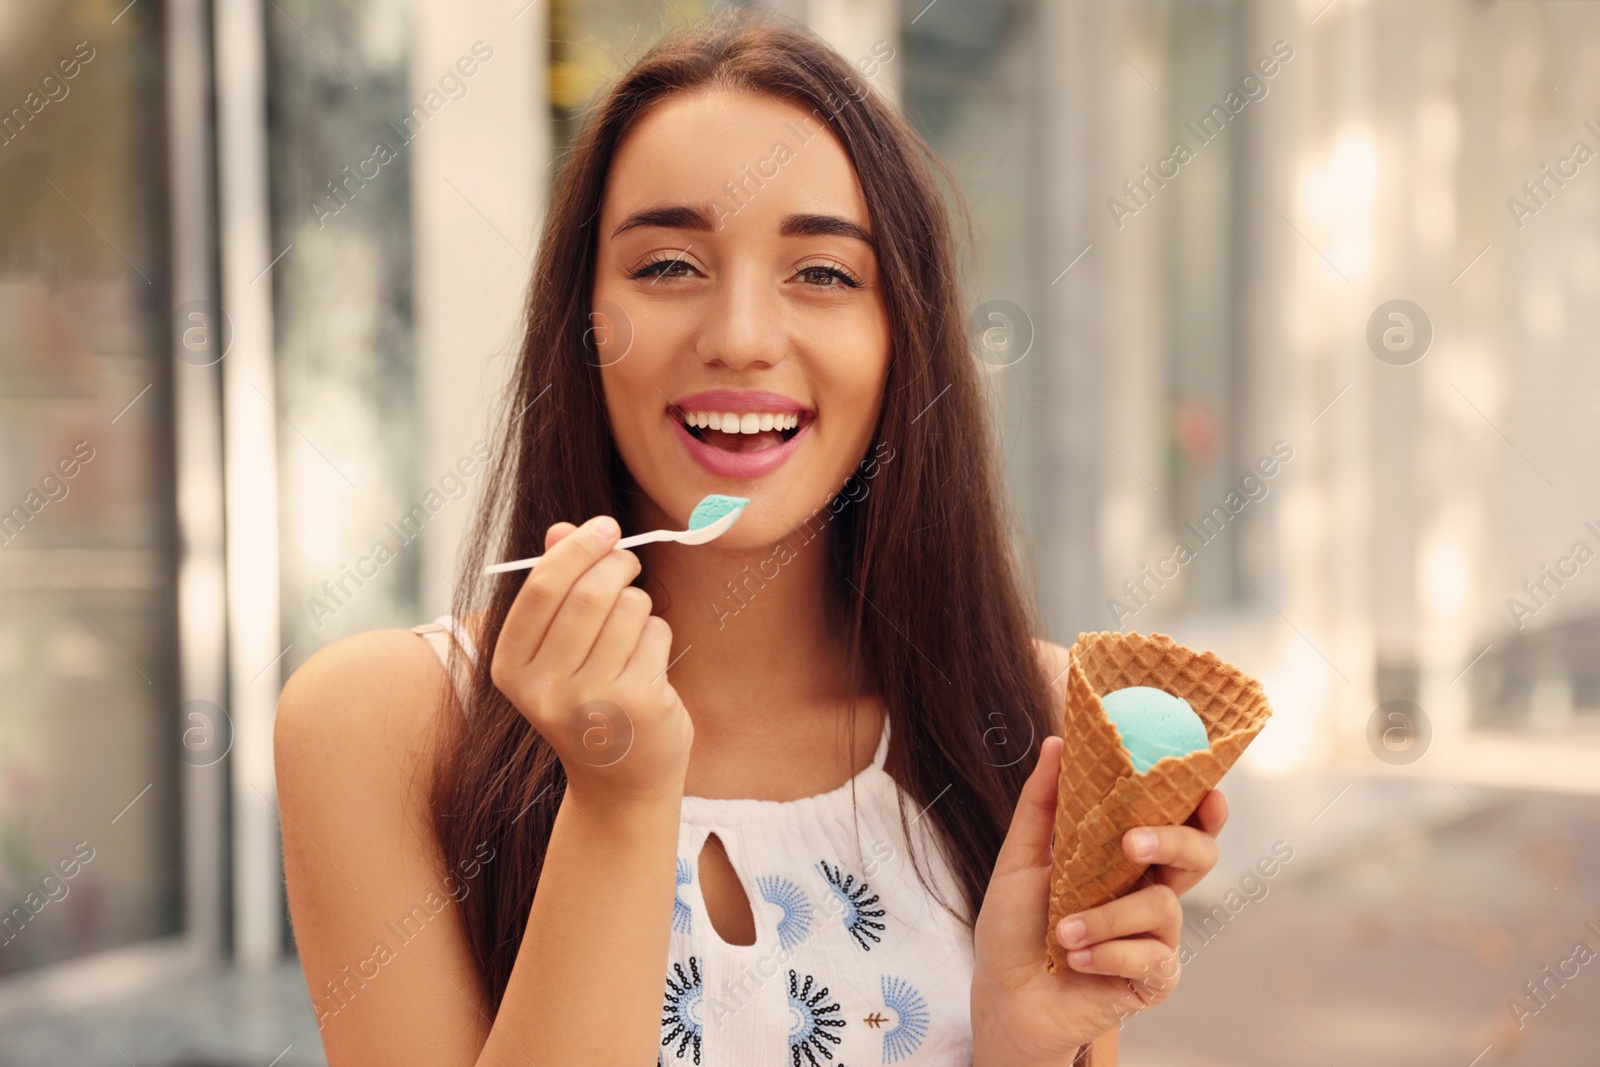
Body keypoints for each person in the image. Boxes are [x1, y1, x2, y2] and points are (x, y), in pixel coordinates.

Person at [274, 10, 1227, 1065]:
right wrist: (620, 797)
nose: (737, 336)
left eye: (821, 273)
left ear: (901, 337)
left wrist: (1022, 1040)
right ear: (582, 325)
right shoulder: (383, 726)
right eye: (669, 265)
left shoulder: (1031, 721)